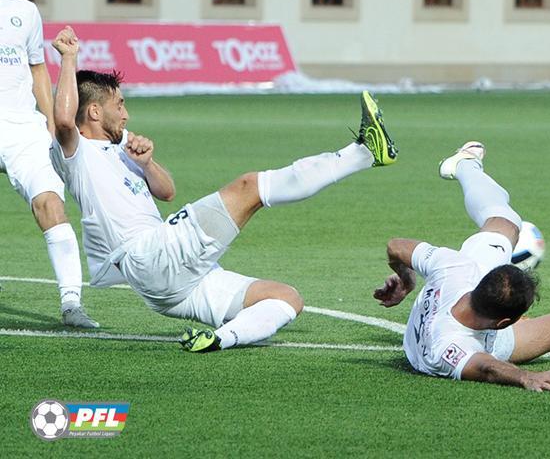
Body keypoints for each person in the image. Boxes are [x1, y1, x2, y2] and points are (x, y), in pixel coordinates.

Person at [50, 24, 399, 351]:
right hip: (149, 253)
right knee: (250, 187)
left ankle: (219, 339)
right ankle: (364, 153)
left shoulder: (121, 146)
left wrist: (147, 164)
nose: (126, 114)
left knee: (286, 298)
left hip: (169, 283)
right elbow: (64, 120)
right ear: (94, 112)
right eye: (119, 104)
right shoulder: (76, 152)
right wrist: (69, 58)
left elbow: (168, 192)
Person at [374, 141, 550, 391]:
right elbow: (487, 368)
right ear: (502, 324)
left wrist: (406, 278)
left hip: (467, 305)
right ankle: (466, 165)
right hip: (479, 341)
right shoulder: (449, 346)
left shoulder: (453, 268)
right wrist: (525, 377)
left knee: (506, 223)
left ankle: (465, 164)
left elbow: (395, 246)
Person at [0, 0, 98, 328]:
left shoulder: (24, 11)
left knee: (51, 204)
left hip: (23, 129)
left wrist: (54, 126)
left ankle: (72, 303)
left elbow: (38, 71)